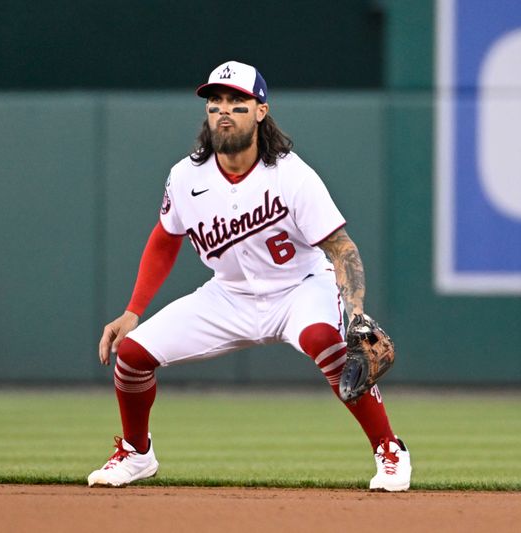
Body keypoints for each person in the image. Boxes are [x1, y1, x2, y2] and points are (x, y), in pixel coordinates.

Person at [88, 60, 411, 491]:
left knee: (325, 341)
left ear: (261, 110)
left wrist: (354, 313)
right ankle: (135, 452)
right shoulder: (185, 177)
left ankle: (389, 448)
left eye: (237, 101)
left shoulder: (293, 176)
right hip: (228, 295)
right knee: (131, 354)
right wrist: (133, 310)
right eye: (215, 101)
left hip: (299, 288)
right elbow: (165, 239)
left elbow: (341, 249)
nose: (224, 109)